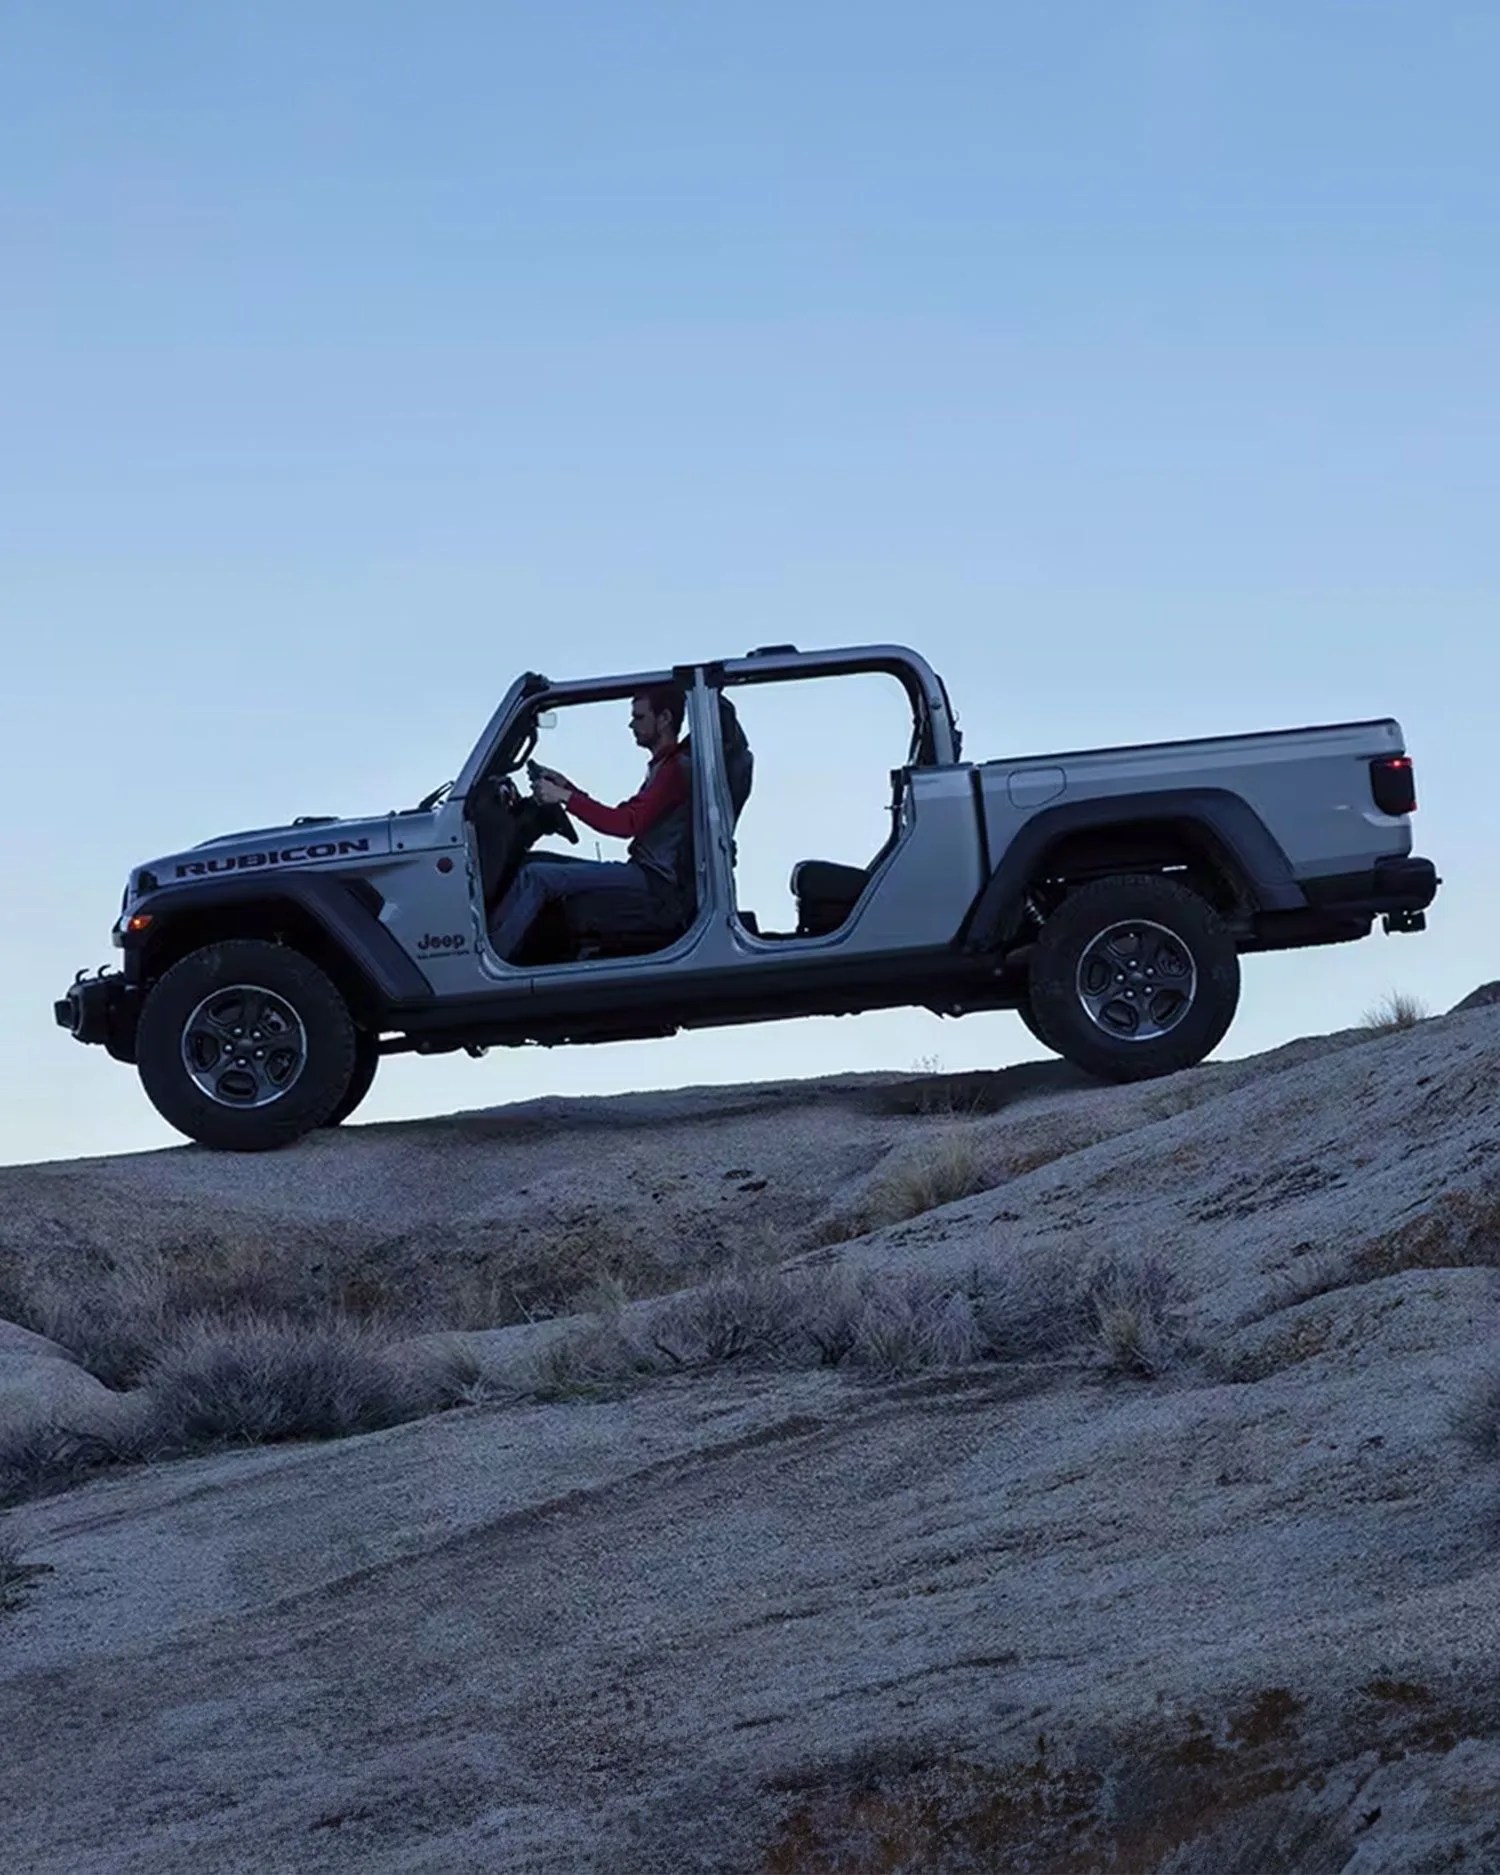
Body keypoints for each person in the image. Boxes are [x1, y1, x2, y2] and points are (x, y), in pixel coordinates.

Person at [488, 686, 691, 961]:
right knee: (533, 862)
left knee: (536, 877)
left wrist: (565, 797)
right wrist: (567, 788)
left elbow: (625, 824)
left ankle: (488, 961)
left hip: (655, 882)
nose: (631, 724)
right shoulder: (663, 766)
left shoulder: (674, 769)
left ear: (664, 718)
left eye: (639, 717)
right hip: (643, 872)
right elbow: (626, 813)